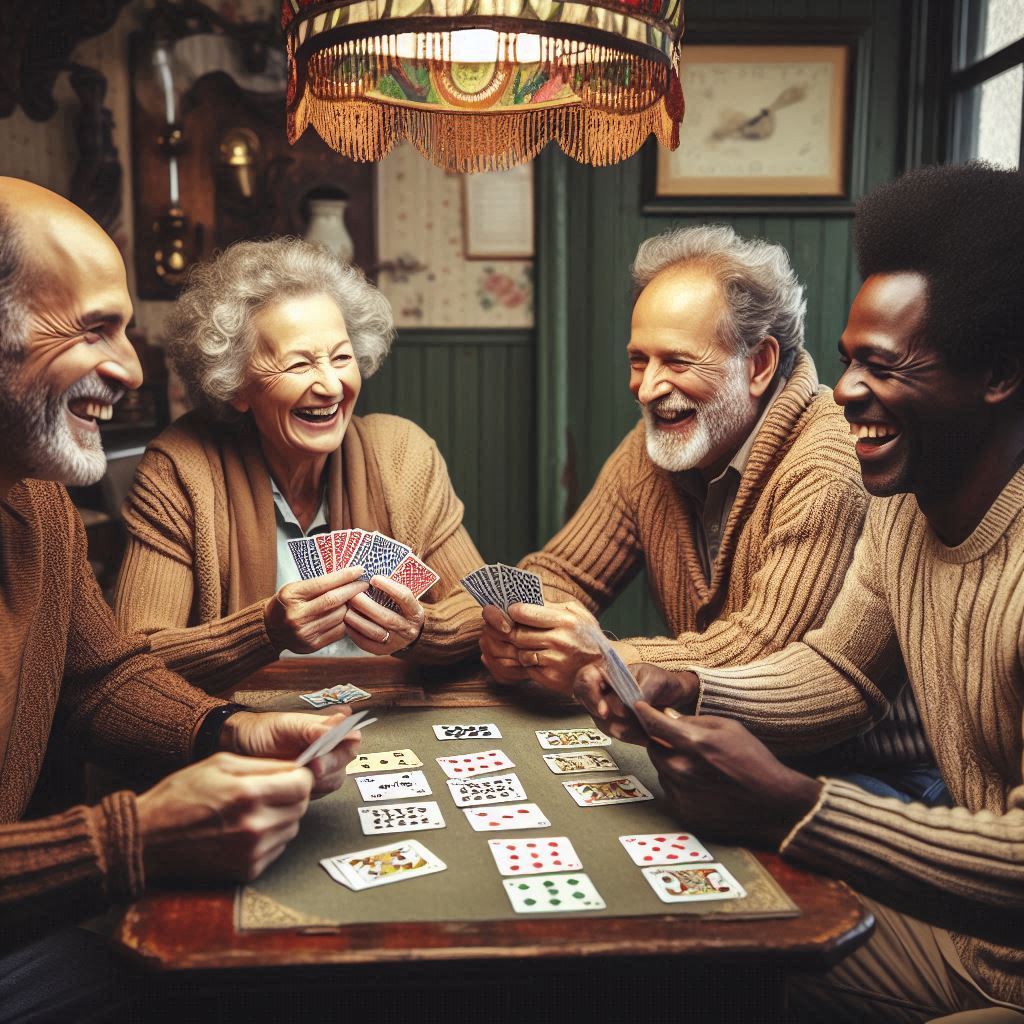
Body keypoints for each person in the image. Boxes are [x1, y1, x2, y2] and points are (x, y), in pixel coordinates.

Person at [576, 163, 1024, 1021]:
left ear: (997, 376)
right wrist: (697, 685)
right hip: (971, 940)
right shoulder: (902, 506)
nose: (846, 390)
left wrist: (797, 804)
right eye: (851, 361)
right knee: (683, 955)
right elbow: (838, 673)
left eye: (884, 367)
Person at [0, 180, 359, 1018]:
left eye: (124, 330)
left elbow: (100, 678)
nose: (129, 367)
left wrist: (225, 728)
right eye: (94, 329)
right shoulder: (176, 468)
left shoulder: (37, 497)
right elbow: (150, 644)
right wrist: (130, 840)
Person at [482, 224, 942, 804]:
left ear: (759, 364)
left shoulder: (832, 461)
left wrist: (609, 656)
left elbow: (763, 655)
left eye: (676, 360)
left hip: (871, 775)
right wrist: (522, 628)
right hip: (718, 744)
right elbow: (566, 569)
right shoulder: (658, 445)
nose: (648, 388)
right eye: (637, 360)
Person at [114, 238, 485, 694]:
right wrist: (262, 631)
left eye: (342, 357)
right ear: (237, 385)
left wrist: (421, 631)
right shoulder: (180, 470)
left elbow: (476, 607)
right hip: (243, 735)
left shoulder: (403, 453)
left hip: (388, 724)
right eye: (298, 364)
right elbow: (132, 660)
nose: (330, 385)